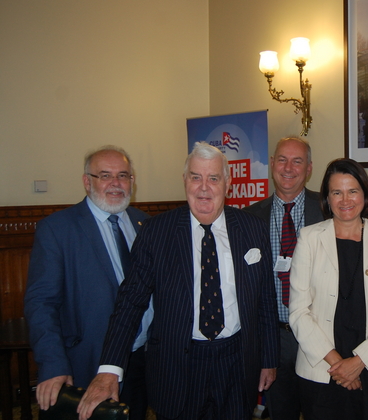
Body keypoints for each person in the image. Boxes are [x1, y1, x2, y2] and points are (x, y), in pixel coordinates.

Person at [78, 142, 279, 420]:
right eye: (196, 177)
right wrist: (109, 369)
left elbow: (265, 300)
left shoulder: (252, 228)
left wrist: (268, 360)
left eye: (213, 178)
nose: (204, 187)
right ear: (185, 180)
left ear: (228, 182)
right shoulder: (155, 232)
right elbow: (130, 302)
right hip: (178, 366)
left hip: (237, 363)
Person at [24, 145, 152, 420]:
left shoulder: (145, 224)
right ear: (87, 181)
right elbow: (41, 303)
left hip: (142, 359)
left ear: (132, 181)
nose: (116, 184)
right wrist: (53, 364)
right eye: (105, 175)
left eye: (123, 175)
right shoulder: (57, 229)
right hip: (87, 362)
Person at [289, 158, 368, 420]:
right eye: (336, 192)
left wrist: (358, 363)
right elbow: (298, 310)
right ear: (327, 198)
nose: (345, 200)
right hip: (322, 369)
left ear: (365, 194)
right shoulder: (309, 238)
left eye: (353, 191)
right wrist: (338, 365)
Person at [245, 137, 323, 420]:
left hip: (320, 337)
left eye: (297, 161)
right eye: (282, 160)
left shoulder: (329, 210)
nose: (288, 168)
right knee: (281, 413)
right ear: (272, 165)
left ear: (309, 168)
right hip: (273, 339)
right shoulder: (250, 218)